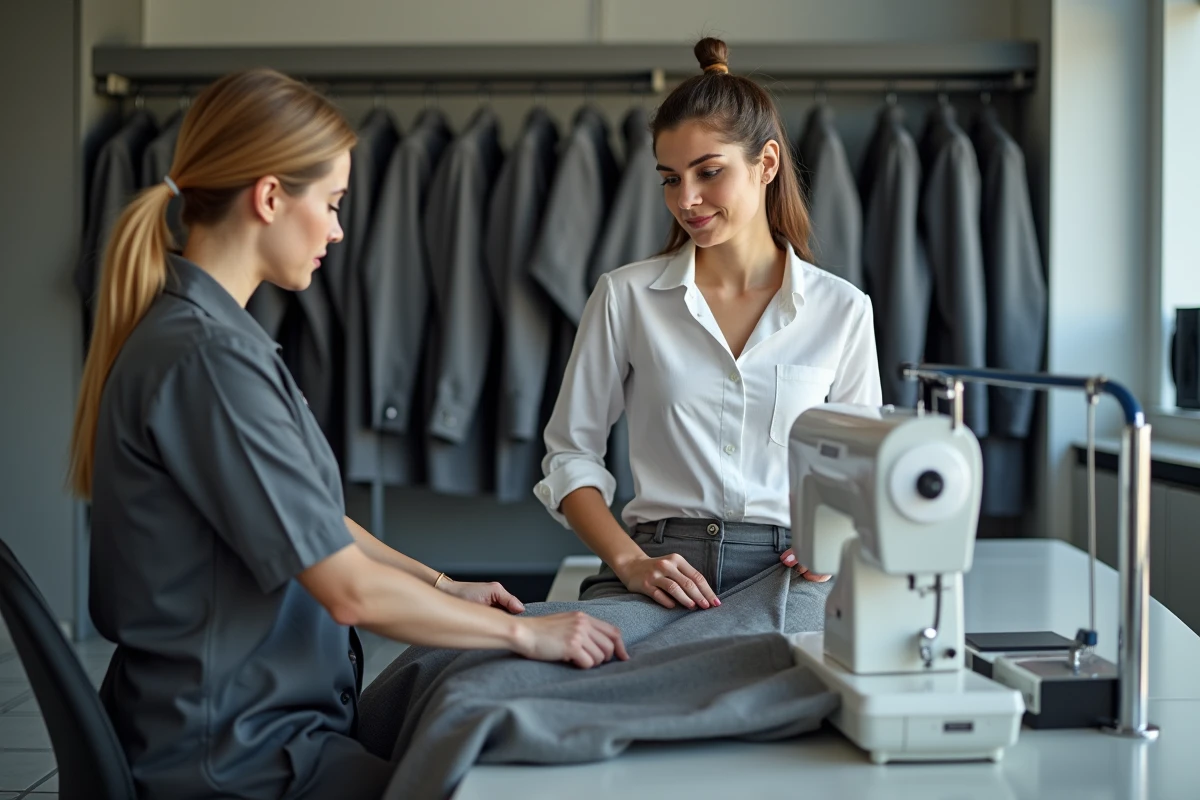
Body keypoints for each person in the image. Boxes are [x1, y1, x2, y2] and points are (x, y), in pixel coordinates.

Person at [67, 69, 626, 800]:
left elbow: (313, 519)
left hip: (238, 725)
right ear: (269, 197)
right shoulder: (210, 361)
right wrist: (527, 635)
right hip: (240, 758)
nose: (337, 229)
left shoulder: (205, 336)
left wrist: (440, 584)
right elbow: (348, 593)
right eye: (330, 204)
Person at [535, 38, 882, 609]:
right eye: (670, 178)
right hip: (653, 572)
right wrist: (630, 562)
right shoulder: (626, 296)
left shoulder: (842, 309)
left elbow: (861, 465)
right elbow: (570, 456)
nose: (687, 199)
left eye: (709, 172)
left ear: (766, 164)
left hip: (790, 577)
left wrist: (832, 546)